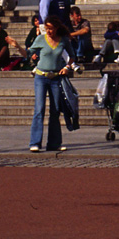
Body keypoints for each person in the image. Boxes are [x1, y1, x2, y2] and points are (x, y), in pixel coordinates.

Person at [28, 17, 74, 152]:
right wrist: (24, 51)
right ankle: (34, 143)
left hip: (56, 78)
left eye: (51, 29)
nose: (48, 31)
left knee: (55, 111)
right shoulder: (40, 39)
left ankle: (54, 143)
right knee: (39, 109)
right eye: (46, 29)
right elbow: (29, 52)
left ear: (56, 28)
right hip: (41, 77)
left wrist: (67, 67)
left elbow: (72, 56)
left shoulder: (63, 40)